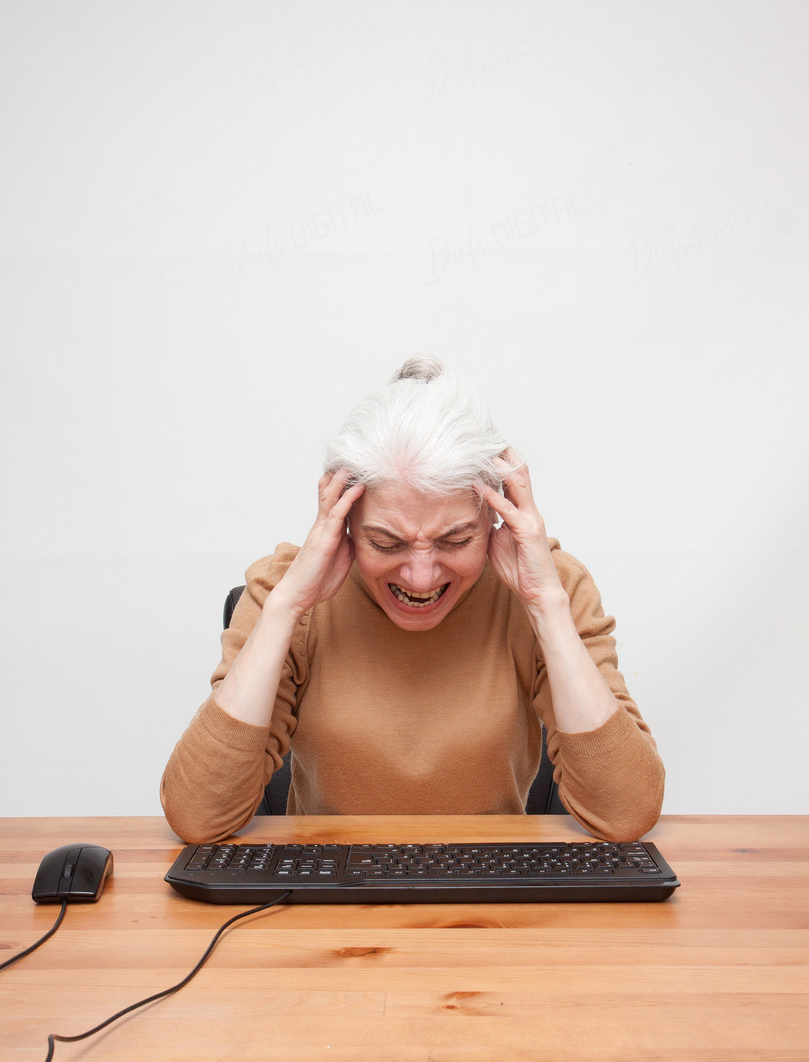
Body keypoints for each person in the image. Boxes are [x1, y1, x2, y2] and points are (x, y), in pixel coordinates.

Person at [161, 356, 664, 844]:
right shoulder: (287, 589)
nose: (421, 577)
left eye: (455, 540)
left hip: (488, 897)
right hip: (325, 898)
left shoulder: (547, 586)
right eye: (385, 543)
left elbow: (625, 815)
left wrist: (546, 606)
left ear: (496, 516)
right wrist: (288, 606)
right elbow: (198, 817)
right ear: (344, 520)